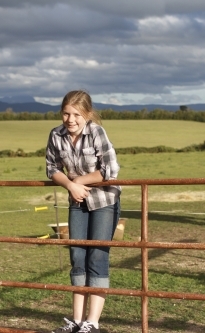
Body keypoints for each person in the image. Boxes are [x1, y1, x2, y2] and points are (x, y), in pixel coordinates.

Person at [46, 90, 121, 333]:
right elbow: (51, 168)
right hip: (77, 200)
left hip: (104, 200)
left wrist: (79, 180)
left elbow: (110, 170)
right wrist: (70, 185)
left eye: (76, 114)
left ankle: (92, 323)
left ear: (87, 114)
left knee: (97, 257)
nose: (71, 119)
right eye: (66, 113)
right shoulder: (56, 135)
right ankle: (76, 321)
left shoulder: (97, 132)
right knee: (77, 256)